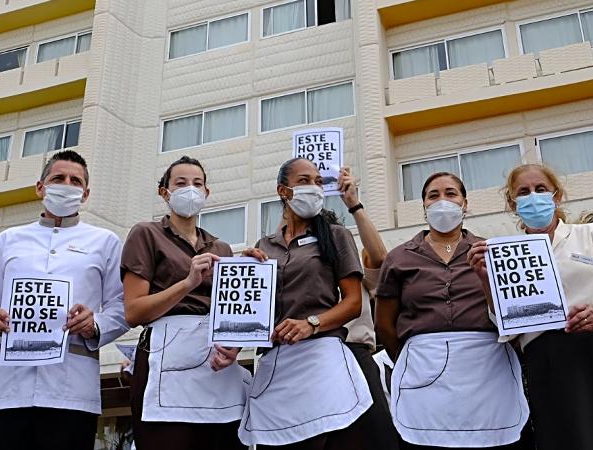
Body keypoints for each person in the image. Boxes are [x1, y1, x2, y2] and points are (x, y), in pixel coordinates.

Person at [468, 164, 593, 450]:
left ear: (557, 196)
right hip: (550, 361)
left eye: (540, 189)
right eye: (523, 192)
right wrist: (486, 279)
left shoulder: (589, 234)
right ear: (512, 204)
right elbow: (505, 322)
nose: (533, 197)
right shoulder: (504, 253)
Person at [0, 150, 128, 450]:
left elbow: (121, 306)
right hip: (6, 389)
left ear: (86, 193)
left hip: (70, 392)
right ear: (40, 187)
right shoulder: (8, 239)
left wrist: (94, 324)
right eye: (58, 178)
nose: (66, 185)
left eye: (75, 181)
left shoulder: (104, 241)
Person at [213, 157, 372, 449]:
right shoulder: (264, 247)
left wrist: (311, 324)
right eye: (304, 181)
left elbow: (353, 304)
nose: (314, 188)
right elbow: (254, 311)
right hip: (275, 365)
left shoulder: (336, 236)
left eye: (318, 182)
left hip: (320, 360)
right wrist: (247, 272)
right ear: (283, 191)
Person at [375, 171, 528, 448]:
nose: (442, 200)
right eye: (433, 195)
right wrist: (413, 359)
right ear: (424, 206)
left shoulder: (489, 251)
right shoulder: (399, 257)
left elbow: (511, 312)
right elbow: (384, 324)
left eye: (450, 194)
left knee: (492, 438)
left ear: (465, 204)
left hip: (488, 368)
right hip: (422, 367)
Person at [121, 155, 247, 448]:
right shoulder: (147, 234)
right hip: (165, 355)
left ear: (206, 193)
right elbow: (134, 310)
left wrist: (251, 272)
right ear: (164, 192)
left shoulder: (221, 247)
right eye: (180, 183)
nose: (190, 190)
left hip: (215, 365)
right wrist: (187, 283)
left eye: (197, 183)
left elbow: (231, 310)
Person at [336, 167, 399, 447]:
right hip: (308, 356)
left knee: (376, 438)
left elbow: (379, 257)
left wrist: (354, 206)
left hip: (355, 354)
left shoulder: (354, 272)